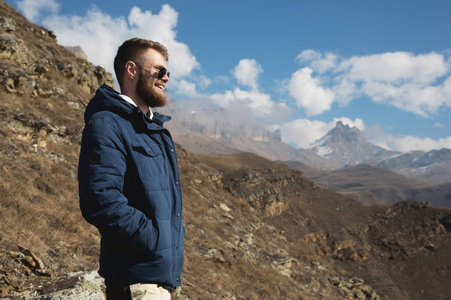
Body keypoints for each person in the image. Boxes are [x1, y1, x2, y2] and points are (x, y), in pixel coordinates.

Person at [78, 38, 184, 300]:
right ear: (131, 70)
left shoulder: (152, 130)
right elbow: (101, 200)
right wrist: (155, 240)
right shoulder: (107, 124)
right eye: (159, 70)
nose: (166, 78)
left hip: (158, 283)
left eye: (167, 72)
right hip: (138, 285)